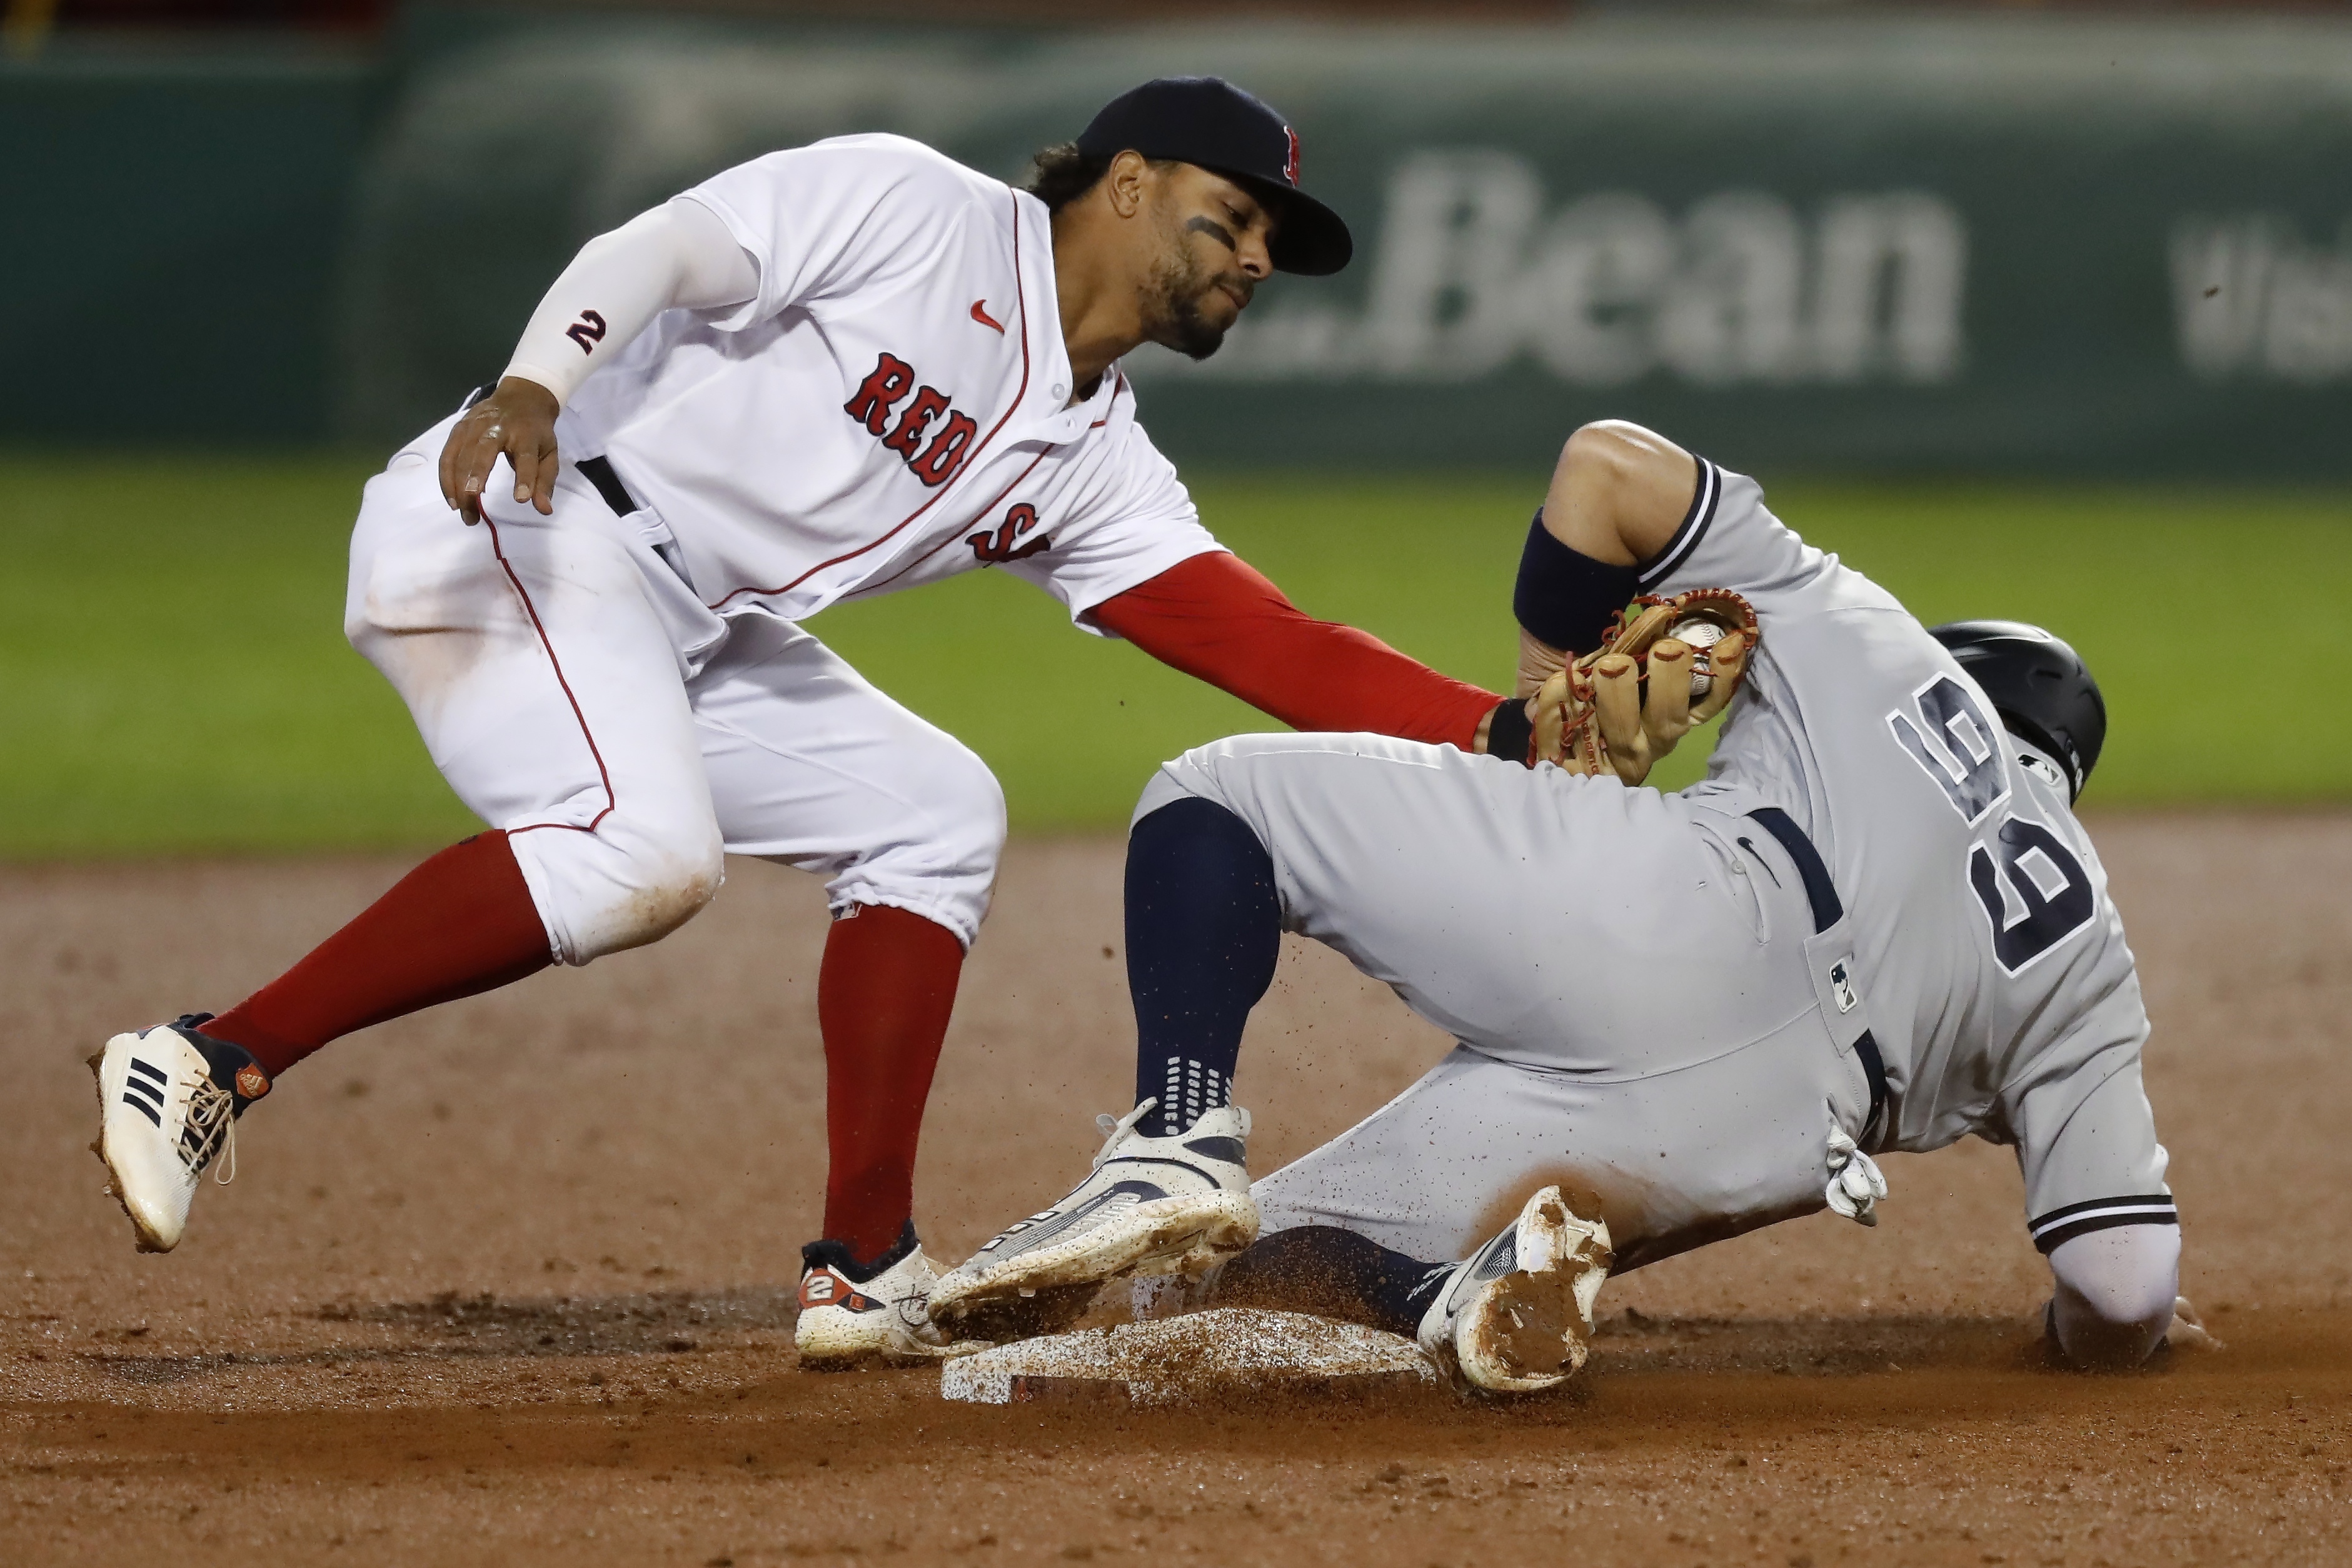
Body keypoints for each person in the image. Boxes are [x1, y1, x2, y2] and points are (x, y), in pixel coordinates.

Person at [88, 78, 1519, 1369]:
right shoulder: (914, 208)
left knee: (934, 814)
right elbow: (656, 251)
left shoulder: (1098, 456)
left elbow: (1275, 646)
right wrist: (538, 378)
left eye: (1273, 239)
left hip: (677, 620)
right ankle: (211, 1058)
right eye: (1237, 215)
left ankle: (865, 1266)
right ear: (1128, 182)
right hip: (528, 510)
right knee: (643, 855)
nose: (1259, 257)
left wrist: (1509, 731)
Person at [925, 420, 2195, 1390]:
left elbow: (1606, 466)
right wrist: (2086, 1339)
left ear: (1969, 674)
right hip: (1766, 1138)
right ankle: (1448, 1298)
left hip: (1685, 918)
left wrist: (1551, 712)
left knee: (1215, 801)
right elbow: (2123, 1284)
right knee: (1291, 1271)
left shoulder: (1881, 640)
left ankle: (1176, 1141)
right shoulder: (2094, 961)